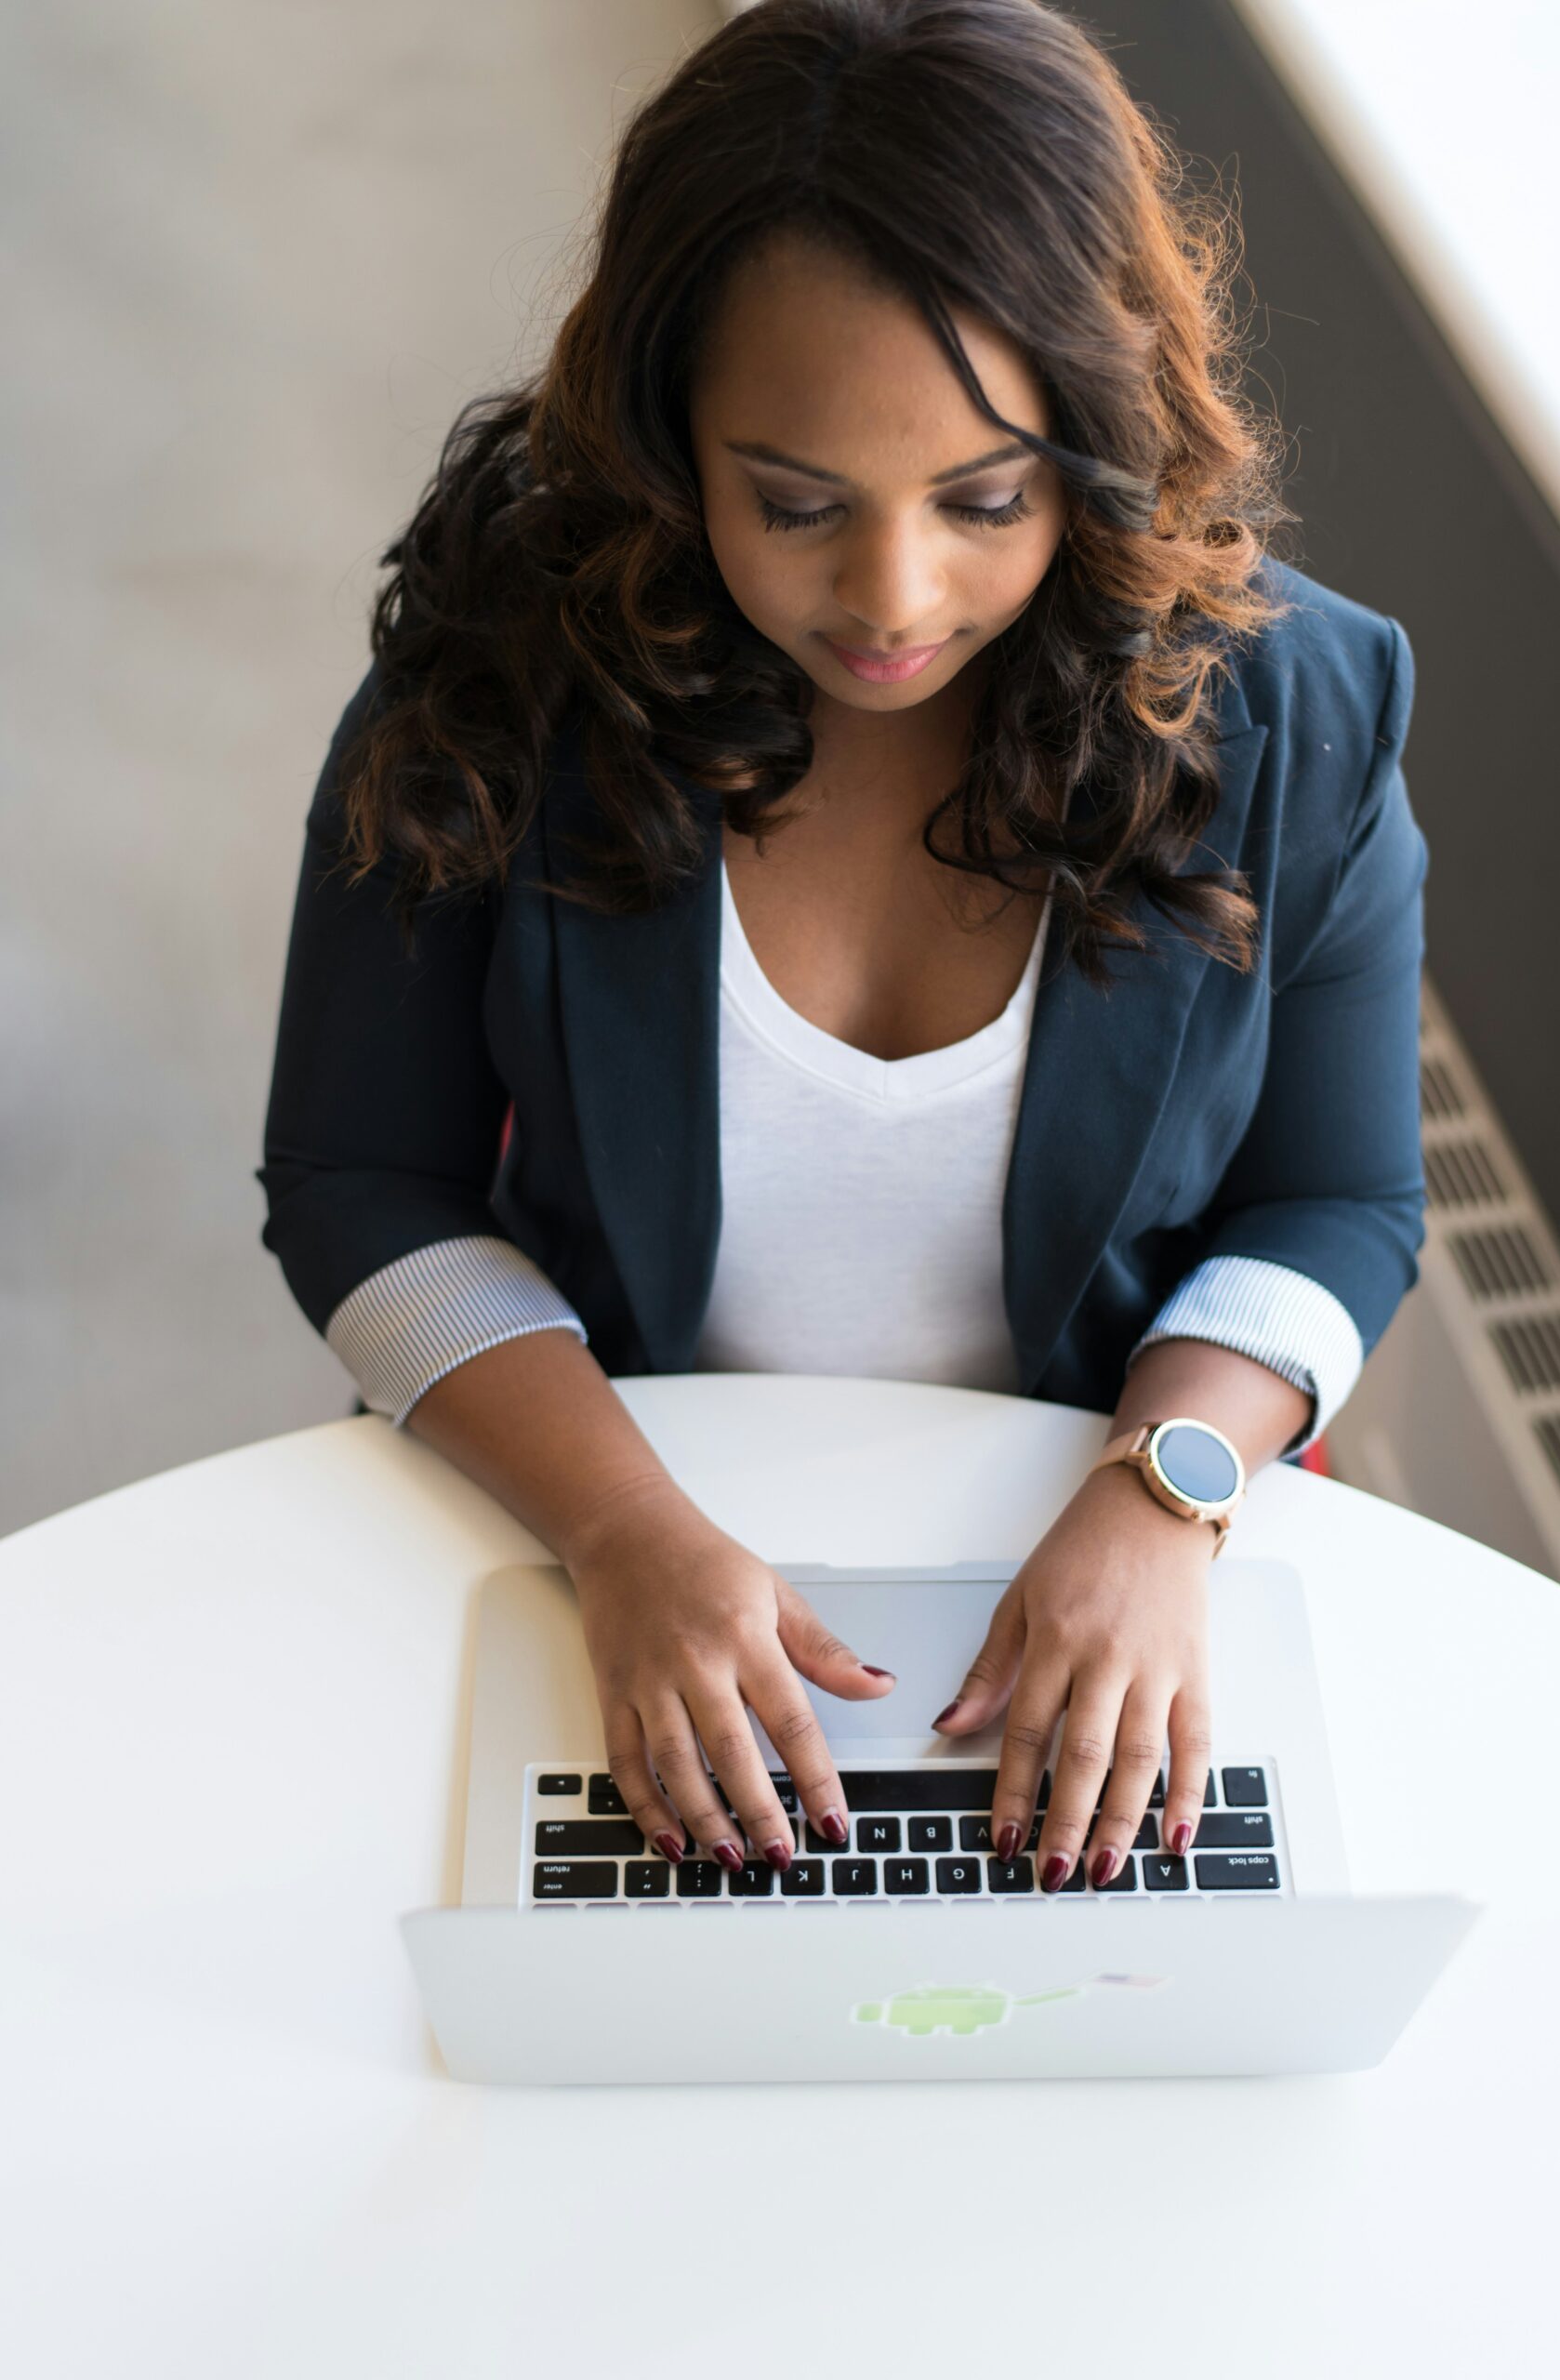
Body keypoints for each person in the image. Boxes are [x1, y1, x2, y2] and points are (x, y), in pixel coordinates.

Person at [258, 0, 1426, 1896]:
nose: (892, 599)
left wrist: (1165, 1501)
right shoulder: (495, 669)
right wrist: (626, 1535)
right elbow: (358, 1180)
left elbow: (1343, 1201)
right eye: (795, 503)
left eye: (986, 501)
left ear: (1099, 444)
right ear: (665, 433)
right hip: (604, 1521)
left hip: (1069, 1556)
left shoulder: (1297, 706)